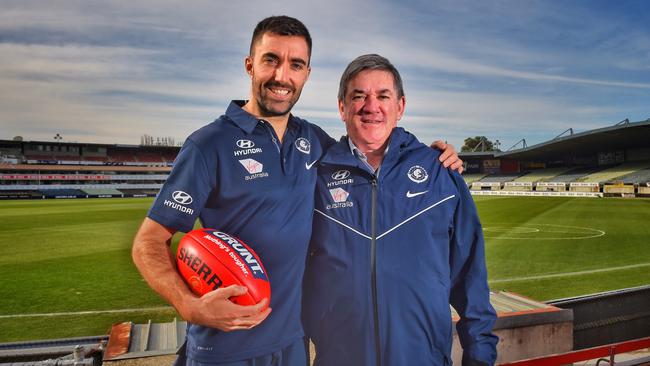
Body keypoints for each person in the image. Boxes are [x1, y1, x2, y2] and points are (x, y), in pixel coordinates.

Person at [132, 16, 462, 366]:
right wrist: (190, 306)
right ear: (250, 65)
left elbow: (370, 146)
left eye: (296, 64)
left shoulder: (314, 140)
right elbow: (148, 242)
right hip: (227, 350)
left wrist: (430, 157)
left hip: (292, 345)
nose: (281, 76)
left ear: (306, 74)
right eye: (271, 59)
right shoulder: (208, 144)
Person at [302, 54, 498, 366]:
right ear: (342, 107)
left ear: (400, 106)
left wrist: (480, 359)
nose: (371, 106)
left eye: (383, 96)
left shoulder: (440, 174)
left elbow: (472, 283)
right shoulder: (315, 177)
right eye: (358, 96)